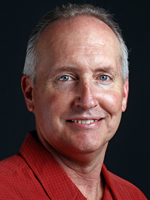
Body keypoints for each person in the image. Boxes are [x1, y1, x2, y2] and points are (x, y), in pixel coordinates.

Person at [0, 4, 147, 200]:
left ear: (124, 93)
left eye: (103, 77)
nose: (87, 101)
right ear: (30, 93)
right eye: (65, 78)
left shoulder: (133, 196)